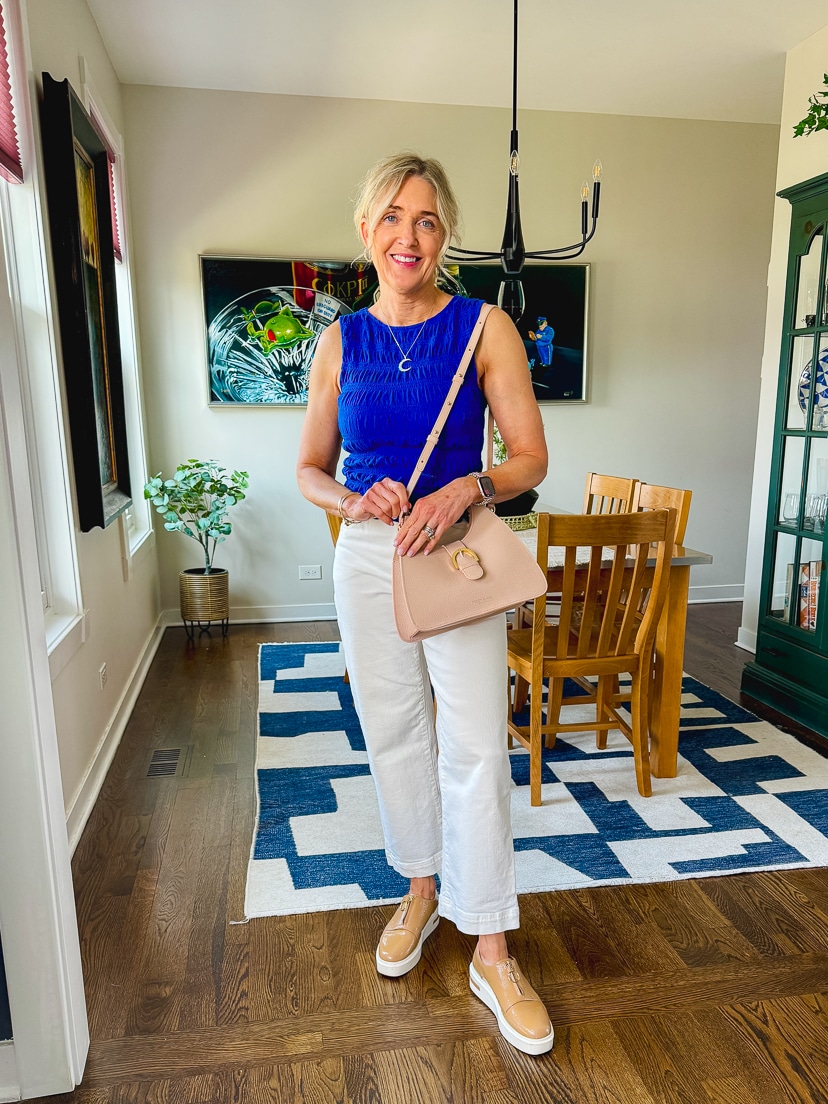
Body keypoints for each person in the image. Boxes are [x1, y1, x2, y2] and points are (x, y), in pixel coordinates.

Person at [296, 153, 552, 1056]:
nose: (410, 236)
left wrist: (467, 489)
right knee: (396, 730)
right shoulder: (341, 342)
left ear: (446, 236)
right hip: (368, 556)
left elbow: (529, 456)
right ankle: (421, 891)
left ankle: (492, 946)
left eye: (430, 220)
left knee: (477, 744)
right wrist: (348, 501)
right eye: (394, 218)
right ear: (366, 231)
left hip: (458, 552)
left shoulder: (486, 327)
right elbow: (308, 470)